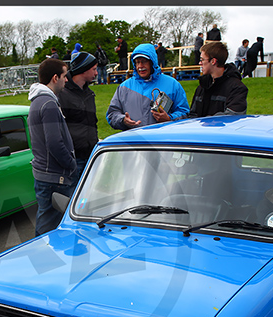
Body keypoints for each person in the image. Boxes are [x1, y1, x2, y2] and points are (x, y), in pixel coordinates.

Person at [28, 58, 76, 236]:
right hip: (54, 178)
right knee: (49, 228)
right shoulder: (48, 104)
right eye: (64, 76)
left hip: (45, 175)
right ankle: (44, 260)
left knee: (46, 221)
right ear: (55, 78)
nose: (66, 80)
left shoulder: (37, 102)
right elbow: (54, 143)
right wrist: (71, 164)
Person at [106, 43, 190, 131]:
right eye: (137, 62)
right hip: (133, 142)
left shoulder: (172, 85)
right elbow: (112, 114)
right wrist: (123, 120)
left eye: (144, 61)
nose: (140, 66)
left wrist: (169, 118)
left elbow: (185, 113)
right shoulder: (124, 87)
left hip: (162, 141)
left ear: (152, 62)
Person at [58, 51, 98, 188]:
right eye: (94, 69)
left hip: (91, 156)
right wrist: (69, 159)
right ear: (83, 70)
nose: (97, 73)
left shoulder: (90, 94)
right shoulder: (62, 95)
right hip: (74, 160)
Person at [187, 42, 248, 118]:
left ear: (213, 61)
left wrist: (206, 122)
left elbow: (232, 117)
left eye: (202, 60)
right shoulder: (202, 87)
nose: (200, 63)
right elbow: (192, 116)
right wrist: (170, 122)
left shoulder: (237, 88)